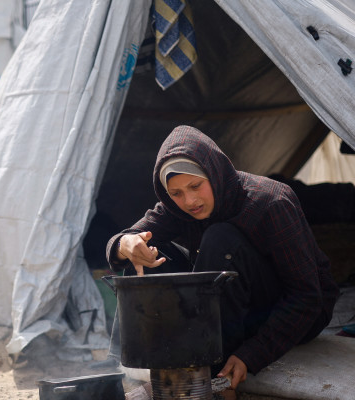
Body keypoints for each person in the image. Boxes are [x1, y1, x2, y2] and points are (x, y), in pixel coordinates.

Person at [105, 125, 339, 389]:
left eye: (196, 186)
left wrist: (251, 354)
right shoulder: (176, 207)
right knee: (147, 248)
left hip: (287, 309)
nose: (190, 200)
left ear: (213, 174)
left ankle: (209, 365)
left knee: (220, 238)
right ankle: (139, 366)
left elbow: (307, 297)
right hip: (229, 308)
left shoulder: (271, 202)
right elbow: (126, 237)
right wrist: (126, 243)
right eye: (176, 193)